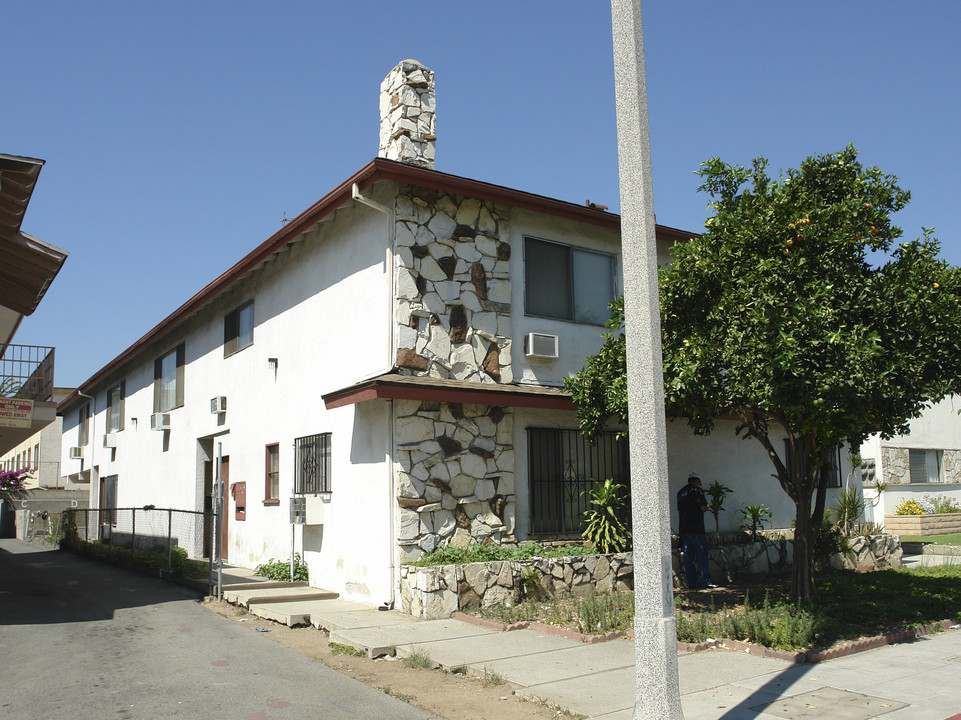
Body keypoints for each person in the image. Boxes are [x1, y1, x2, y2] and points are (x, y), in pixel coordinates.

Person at [676, 472, 717, 589]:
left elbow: (679, 511)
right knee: (701, 555)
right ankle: (706, 581)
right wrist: (709, 506)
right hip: (697, 529)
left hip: (684, 529)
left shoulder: (680, 492)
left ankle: (691, 583)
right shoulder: (697, 491)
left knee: (688, 557)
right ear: (697, 481)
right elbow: (703, 507)